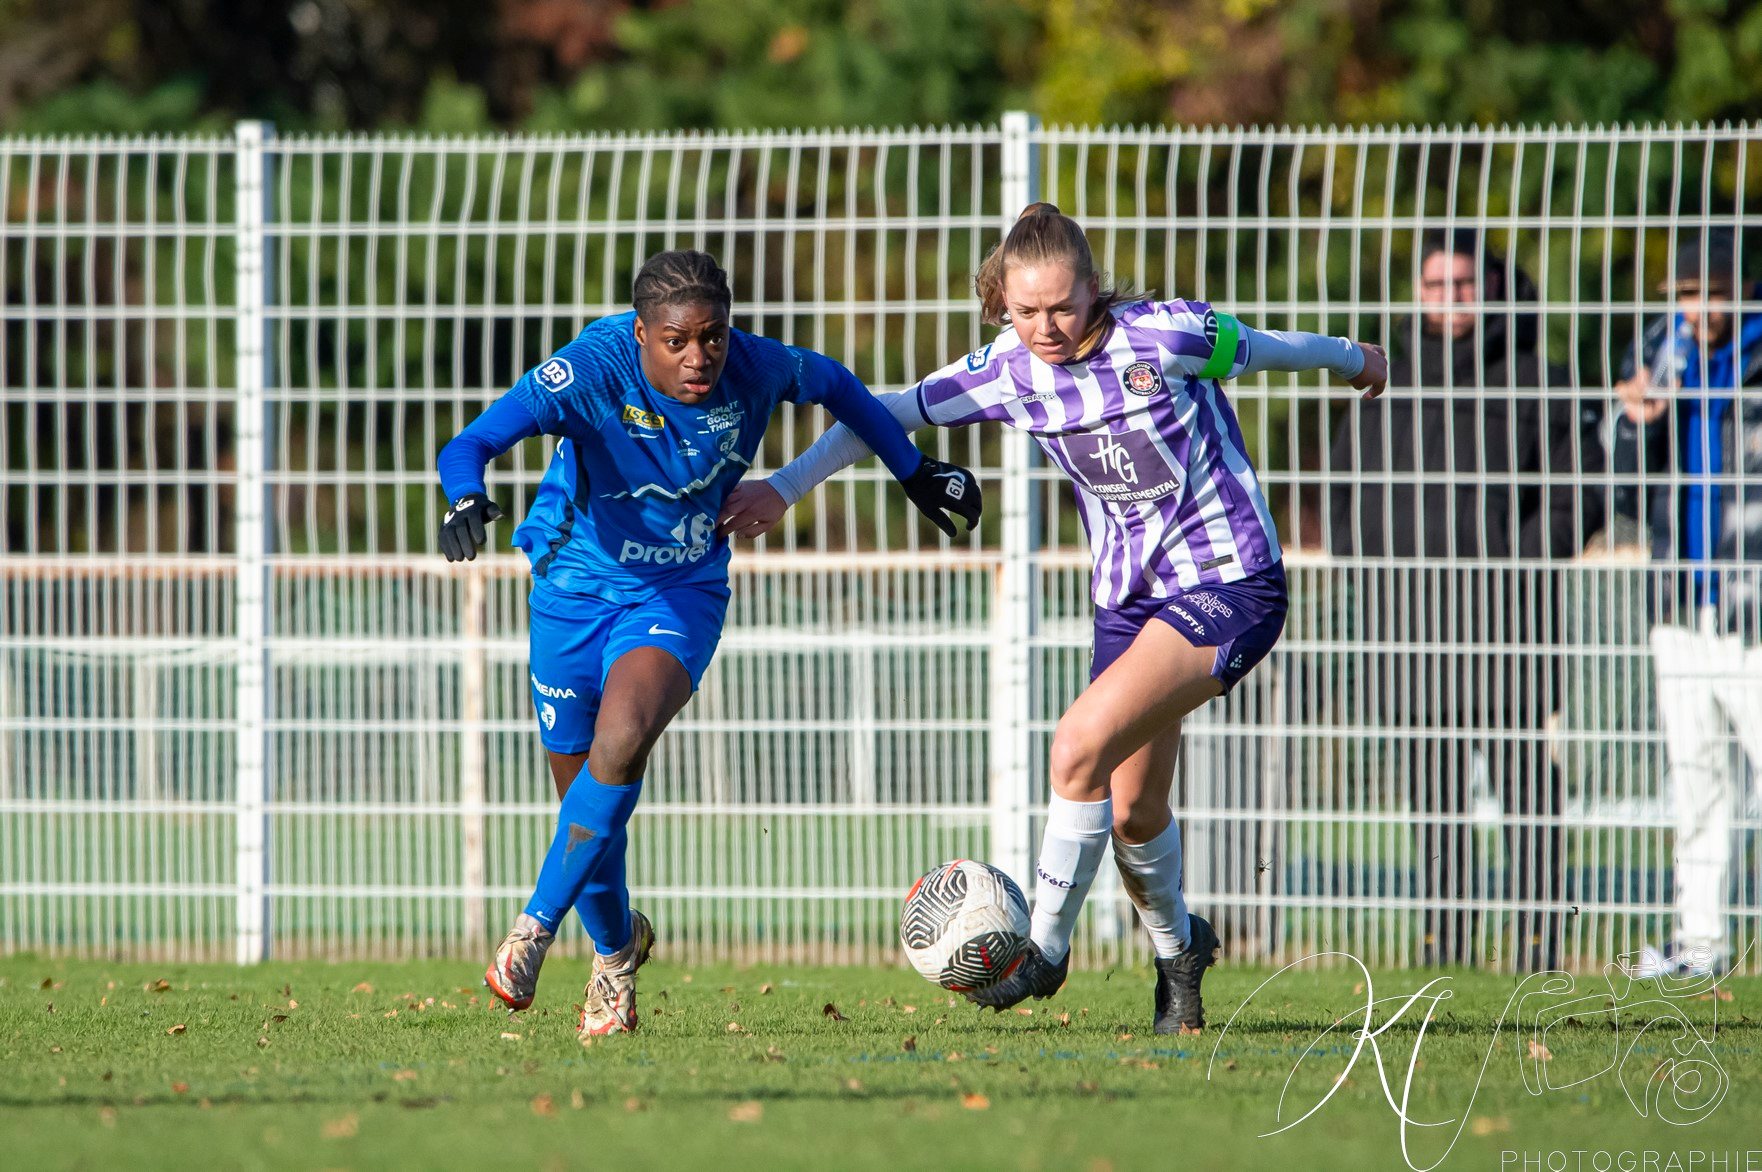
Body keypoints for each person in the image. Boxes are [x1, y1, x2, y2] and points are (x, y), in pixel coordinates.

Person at [716, 203, 1387, 1033]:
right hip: (1129, 606)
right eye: (1025, 310)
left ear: (1094, 288)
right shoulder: (1008, 368)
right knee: (1136, 811)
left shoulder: (1167, 338)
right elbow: (881, 414)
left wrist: (1355, 358)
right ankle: (1182, 959)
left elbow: (1270, 345)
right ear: (1001, 301)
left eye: (1063, 306)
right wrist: (784, 487)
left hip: (1231, 583)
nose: (1047, 327)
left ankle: (1043, 952)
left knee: (1074, 750)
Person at [435, 249, 982, 1038]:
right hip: (569, 591)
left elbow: (837, 385)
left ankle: (531, 933)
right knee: (588, 815)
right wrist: (464, 497)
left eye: (714, 337)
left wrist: (913, 470)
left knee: (621, 743)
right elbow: (471, 443)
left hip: (678, 592)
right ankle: (619, 953)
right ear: (641, 334)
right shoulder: (591, 368)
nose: (700, 358)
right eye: (677, 341)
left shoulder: (755, 367)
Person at [1325, 230, 1603, 970]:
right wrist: (1374, 575)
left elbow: (1582, 496)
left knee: (1527, 795)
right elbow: (1343, 500)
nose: (1449, 297)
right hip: (1411, 628)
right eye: (1436, 283)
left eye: (1463, 282)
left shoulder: (1536, 383)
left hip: (1510, 626)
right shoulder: (1385, 382)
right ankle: (1443, 950)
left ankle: (1539, 953)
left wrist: (1517, 563)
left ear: (1491, 286)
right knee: (1435, 804)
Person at [1613, 227, 1762, 977]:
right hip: (1681, 600)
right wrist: (1636, 427)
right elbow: (1627, 492)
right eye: (1684, 294)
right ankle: (1700, 944)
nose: (1697, 308)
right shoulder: (1655, 354)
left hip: (1753, 602)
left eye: (1711, 291)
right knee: (1697, 779)